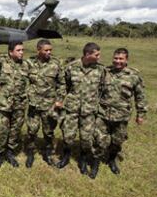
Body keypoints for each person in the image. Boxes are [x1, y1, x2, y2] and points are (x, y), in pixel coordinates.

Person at [93, 48, 147, 176]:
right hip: (103, 113)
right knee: (99, 140)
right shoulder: (105, 72)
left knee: (117, 141)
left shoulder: (134, 75)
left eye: (121, 59)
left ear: (126, 60)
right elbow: (97, 90)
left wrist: (141, 114)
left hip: (122, 116)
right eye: (116, 58)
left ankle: (111, 160)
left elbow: (141, 96)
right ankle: (95, 163)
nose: (117, 61)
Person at [57, 42, 106, 179]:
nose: (99, 57)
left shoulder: (100, 70)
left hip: (89, 110)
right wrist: (61, 100)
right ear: (87, 54)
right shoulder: (71, 67)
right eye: (97, 54)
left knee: (86, 138)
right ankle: (66, 157)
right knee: (68, 135)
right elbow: (64, 85)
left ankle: (83, 160)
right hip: (72, 108)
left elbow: (102, 89)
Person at [25, 39, 66, 167]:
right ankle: (30, 153)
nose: (49, 52)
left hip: (49, 105)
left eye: (50, 50)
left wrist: (59, 100)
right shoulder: (29, 63)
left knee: (48, 131)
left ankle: (47, 154)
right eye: (46, 50)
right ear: (38, 50)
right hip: (33, 104)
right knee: (32, 130)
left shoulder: (56, 64)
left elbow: (62, 84)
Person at [0, 41, 28, 170]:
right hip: (3, 105)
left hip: (19, 104)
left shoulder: (25, 65)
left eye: (22, 50)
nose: (21, 52)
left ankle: (10, 152)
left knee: (15, 131)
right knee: (1, 131)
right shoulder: (1, 62)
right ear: (10, 52)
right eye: (18, 50)